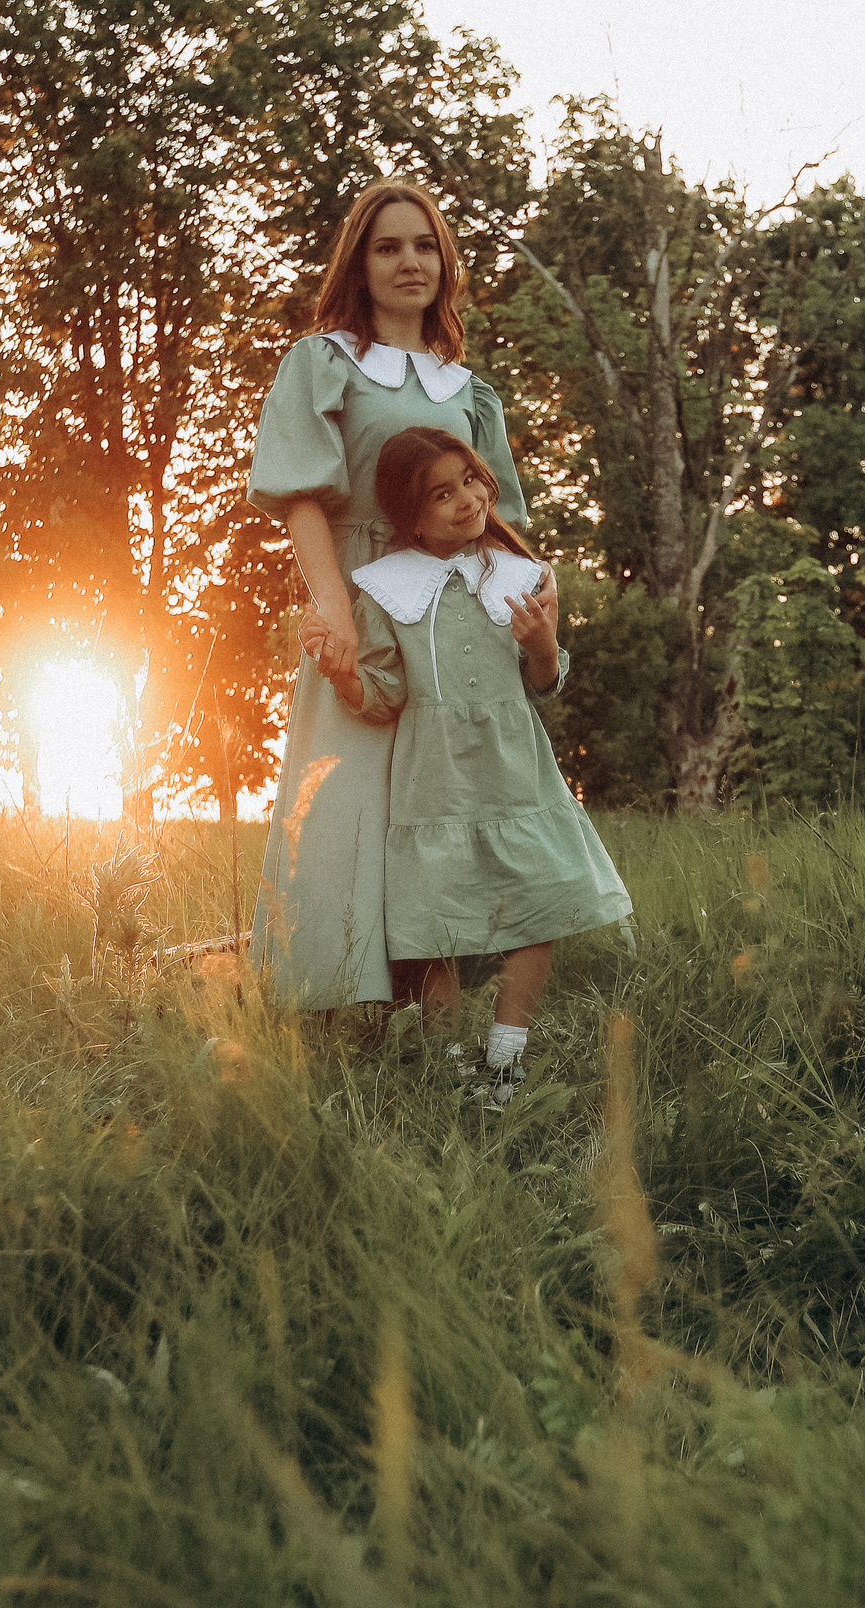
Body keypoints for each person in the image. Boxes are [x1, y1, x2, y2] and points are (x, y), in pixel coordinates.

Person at [245, 181, 529, 1010]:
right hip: (365, 598)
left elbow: (497, 520)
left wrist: (527, 619)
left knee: (442, 802)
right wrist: (331, 603)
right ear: (359, 267)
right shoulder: (325, 362)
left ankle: (433, 999)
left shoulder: (469, 392)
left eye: (424, 246)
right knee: (347, 794)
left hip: (451, 619)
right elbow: (302, 496)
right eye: (388, 247)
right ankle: (331, 994)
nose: (410, 262)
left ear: (445, 262)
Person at [335, 426, 632, 1102]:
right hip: (434, 777)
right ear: (409, 516)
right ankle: (446, 1066)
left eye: (470, 479)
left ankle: (505, 1058)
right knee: (439, 920)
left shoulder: (523, 576)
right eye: (442, 494)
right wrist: (344, 675)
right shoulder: (385, 590)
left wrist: (546, 644)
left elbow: (546, 683)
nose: (467, 499)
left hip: (513, 772)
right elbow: (383, 697)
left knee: (538, 904)